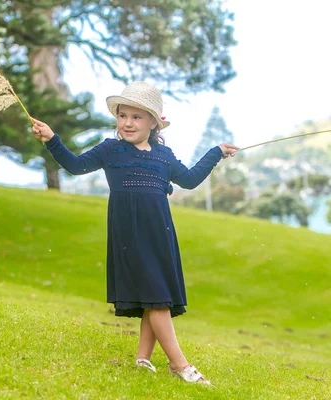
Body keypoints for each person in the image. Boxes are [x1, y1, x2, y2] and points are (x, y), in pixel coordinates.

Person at [31, 81, 239, 385]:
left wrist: (216, 152)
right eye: (122, 115)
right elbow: (75, 166)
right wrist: (52, 139)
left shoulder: (163, 155)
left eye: (136, 117)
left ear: (154, 122)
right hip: (129, 232)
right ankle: (179, 364)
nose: (127, 123)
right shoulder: (109, 149)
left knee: (156, 296)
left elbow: (191, 180)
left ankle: (143, 360)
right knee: (156, 298)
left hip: (159, 231)